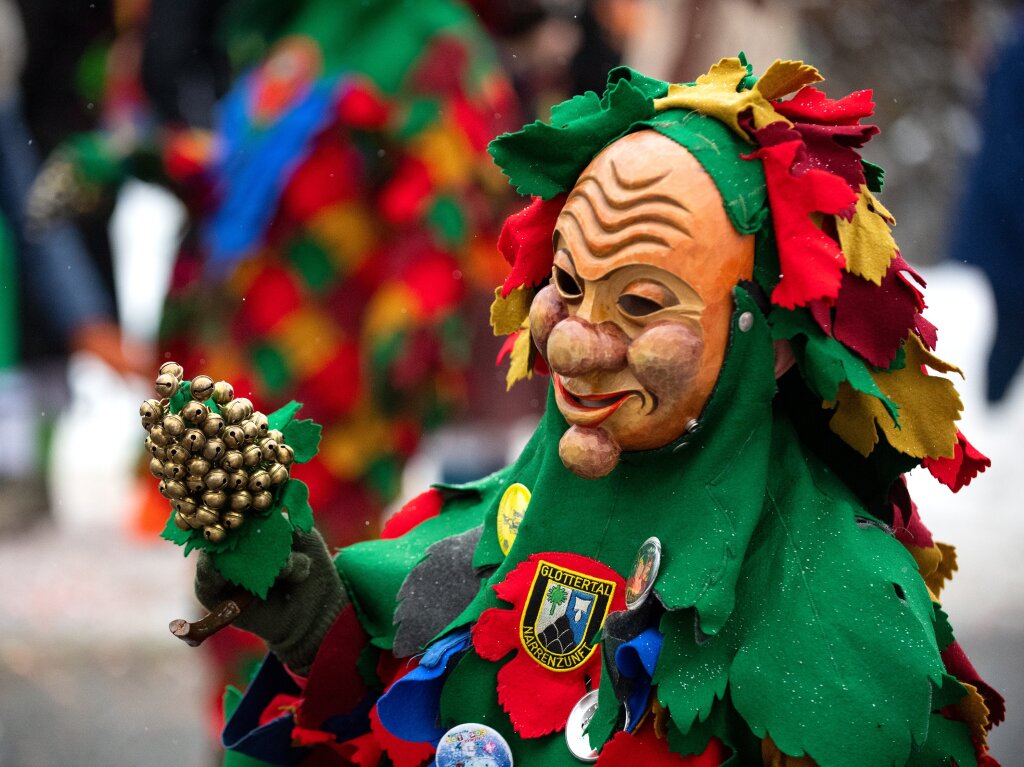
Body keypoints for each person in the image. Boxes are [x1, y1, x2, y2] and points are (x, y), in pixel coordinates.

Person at [174, 57, 1002, 765]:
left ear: (768, 336)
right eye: (568, 288)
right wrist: (317, 627)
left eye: (642, 303)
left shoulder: (842, 607)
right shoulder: (498, 520)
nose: (572, 345)